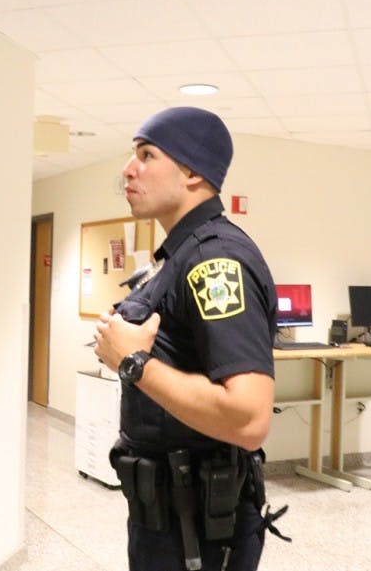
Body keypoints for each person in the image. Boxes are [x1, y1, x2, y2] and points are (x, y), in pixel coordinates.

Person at [92, 106, 285, 571]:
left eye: (147, 155)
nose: (128, 169)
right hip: (166, 518)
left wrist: (134, 363)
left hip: (199, 529)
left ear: (193, 172)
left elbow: (249, 417)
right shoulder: (177, 257)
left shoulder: (215, 262)